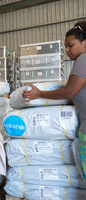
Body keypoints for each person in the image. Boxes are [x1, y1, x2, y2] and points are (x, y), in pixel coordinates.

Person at [22, 21, 86, 181]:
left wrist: (39, 94)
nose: (67, 50)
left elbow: (69, 91)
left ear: (84, 43)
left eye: (70, 45)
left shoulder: (83, 59)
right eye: (65, 46)